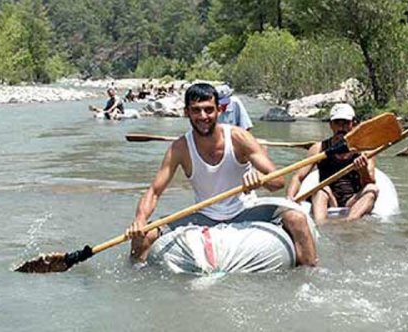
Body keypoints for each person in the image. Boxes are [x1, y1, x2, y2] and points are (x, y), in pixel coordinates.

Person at [125, 83, 317, 267]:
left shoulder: (238, 137)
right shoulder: (180, 148)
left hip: (245, 209)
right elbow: (154, 191)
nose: (203, 116)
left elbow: (278, 181)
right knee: (144, 237)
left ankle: (310, 277)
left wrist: (260, 179)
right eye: (196, 110)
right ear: (186, 112)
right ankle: (136, 283)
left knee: (297, 219)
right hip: (205, 214)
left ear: (219, 110)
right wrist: (140, 220)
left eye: (209, 109)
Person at [286, 103, 379, 223]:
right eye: (337, 123)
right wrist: (289, 199)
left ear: (354, 123)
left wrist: (362, 169)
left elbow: (369, 182)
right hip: (328, 197)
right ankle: (321, 227)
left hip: (352, 200)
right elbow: (298, 177)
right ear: (331, 125)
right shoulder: (319, 148)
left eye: (345, 123)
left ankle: (348, 224)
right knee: (320, 188)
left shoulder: (365, 150)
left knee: (372, 189)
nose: (341, 128)